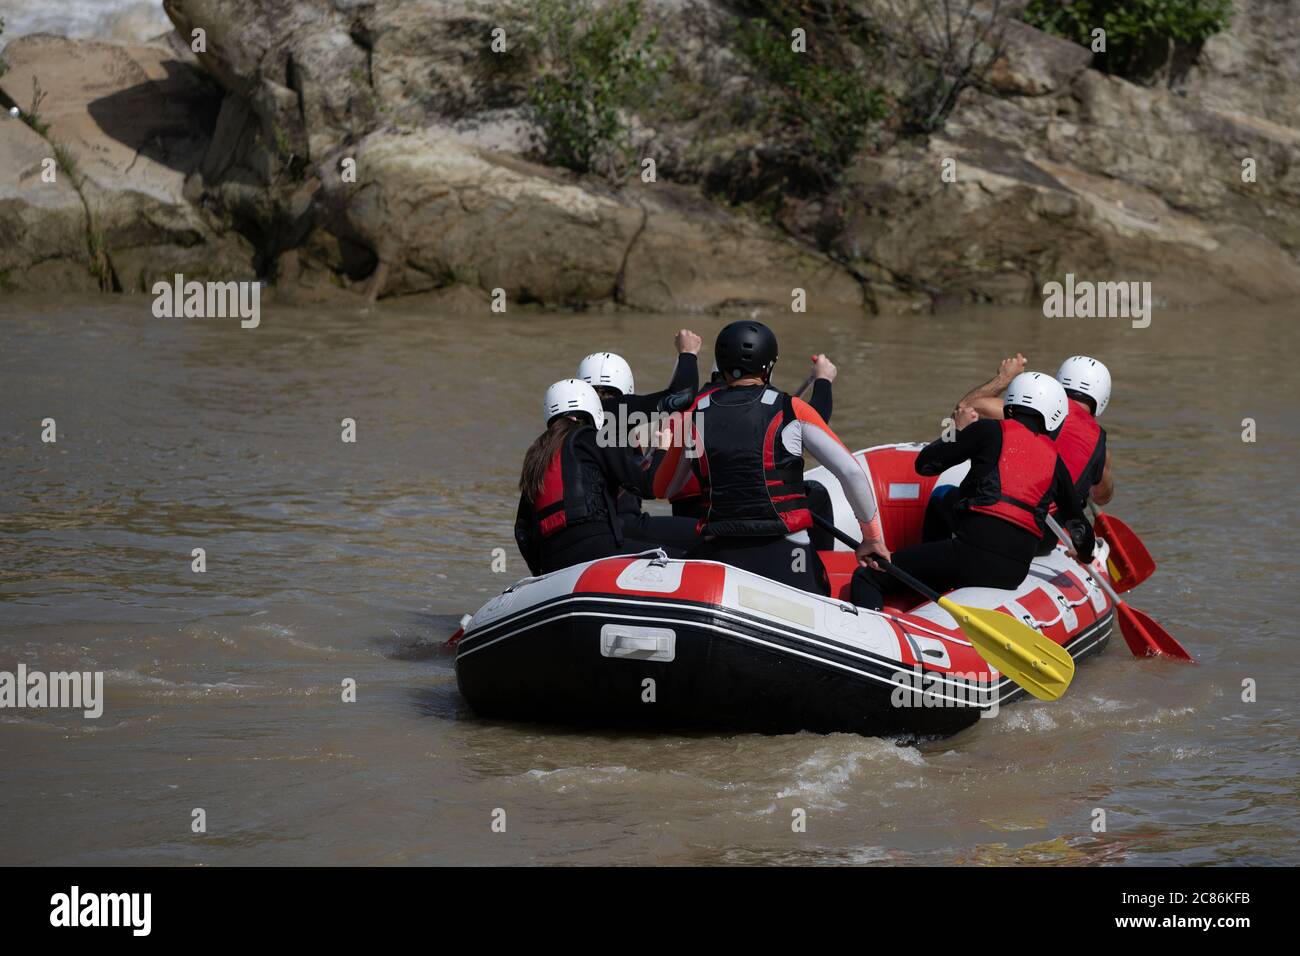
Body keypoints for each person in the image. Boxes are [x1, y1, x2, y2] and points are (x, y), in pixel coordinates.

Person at [653, 321, 887, 594]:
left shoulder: (691, 416)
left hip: (720, 556)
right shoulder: (792, 409)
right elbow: (852, 473)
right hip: (788, 557)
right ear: (769, 366)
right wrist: (872, 538)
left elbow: (663, 489)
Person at [851, 372, 1094, 611]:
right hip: (1013, 573)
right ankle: (930, 583)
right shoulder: (1056, 462)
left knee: (867, 576)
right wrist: (1083, 555)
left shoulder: (988, 430)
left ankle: (871, 627)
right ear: (1055, 415)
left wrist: (953, 428)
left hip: (969, 556)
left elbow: (926, 464)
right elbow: (1081, 528)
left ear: (1011, 404)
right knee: (942, 504)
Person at [514, 379, 679, 576]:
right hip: (597, 548)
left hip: (552, 562)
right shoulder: (590, 437)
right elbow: (649, 486)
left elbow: (522, 533)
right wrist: (661, 449)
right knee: (685, 556)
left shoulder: (536, 454)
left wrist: (540, 574)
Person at [576, 332, 703, 552]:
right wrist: (688, 353)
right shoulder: (614, 410)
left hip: (585, 531)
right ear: (626, 391)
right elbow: (682, 396)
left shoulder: (568, 425)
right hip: (621, 526)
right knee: (705, 532)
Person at [954, 352, 1113, 509]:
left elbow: (965, 408)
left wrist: (1004, 379)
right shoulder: (1101, 449)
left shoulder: (1038, 408)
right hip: (1046, 528)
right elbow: (1102, 497)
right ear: (1103, 398)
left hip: (999, 507)